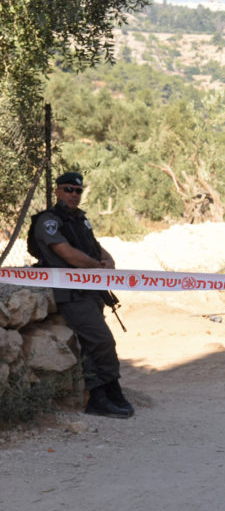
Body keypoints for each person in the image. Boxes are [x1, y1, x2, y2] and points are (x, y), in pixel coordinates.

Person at [32, 171, 134, 418]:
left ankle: (103, 394)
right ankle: (107, 390)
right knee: (102, 341)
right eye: (68, 189)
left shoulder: (79, 220)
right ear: (57, 191)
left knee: (91, 344)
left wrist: (107, 262)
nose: (73, 195)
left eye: (77, 191)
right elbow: (66, 253)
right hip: (72, 293)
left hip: (90, 290)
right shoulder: (49, 220)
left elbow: (95, 247)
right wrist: (97, 267)